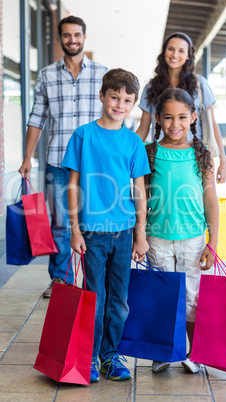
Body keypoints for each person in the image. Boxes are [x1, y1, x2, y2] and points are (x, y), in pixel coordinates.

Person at [61, 68, 151, 382]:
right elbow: (72, 185)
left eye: (127, 100)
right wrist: (73, 229)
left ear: (133, 105)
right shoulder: (83, 135)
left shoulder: (133, 143)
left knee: (119, 300)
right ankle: (89, 358)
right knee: (93, 298)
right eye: (115, 97)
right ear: (102, 96)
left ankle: (111, 356)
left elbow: (139, 189)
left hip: (124, 231)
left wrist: (140, 233)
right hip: (92, 233)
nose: (119, 104)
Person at [18, 16, 108, 297]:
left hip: (94, 163)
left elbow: (113, 117)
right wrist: (26, 158)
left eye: (77, 34)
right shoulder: (46, 74)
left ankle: (92, 279)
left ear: (84, 37)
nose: (72, 39)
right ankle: (61, 279)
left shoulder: (102, 74)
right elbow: (37, 117)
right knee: (60, 224)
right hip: (58, 161)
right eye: (66, 35)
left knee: (93, 220)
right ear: (60, 39)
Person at [145, 88, 219, 374]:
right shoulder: (150, 153)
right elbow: (141, 197)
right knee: (163, 296)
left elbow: (210, 200)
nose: (175, 124)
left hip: (194, 238)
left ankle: (193, 352)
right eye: (168, 117)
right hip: (157, 238)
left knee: (192, 299)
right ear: (158, 119)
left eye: (182, 117)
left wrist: (213, 242)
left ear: (194, 117)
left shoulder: (203, 155)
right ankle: (164, 351)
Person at [136, 31, 226, 184]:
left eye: (181, 51)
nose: (175, 54)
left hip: (194, 158)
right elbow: (143, 128)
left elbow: (213, 124)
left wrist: (223, 162)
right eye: (171, 49)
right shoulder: (151, 87)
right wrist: (124, 151)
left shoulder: (200, 85)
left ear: (188, 56)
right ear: (164, 51)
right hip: (159, 159)